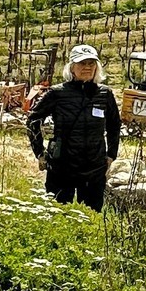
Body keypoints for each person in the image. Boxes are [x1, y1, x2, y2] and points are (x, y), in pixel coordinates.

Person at [27, 44, 120, 211]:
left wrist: (111, 155)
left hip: (94, 166)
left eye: (91, 63)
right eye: (82, 63)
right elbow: (33, 119)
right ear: (72, 67)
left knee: (92, 217)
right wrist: (39, 153)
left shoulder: (105, 94)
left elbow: (114, 124)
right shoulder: (57, 93)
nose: (87, 67)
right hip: (62, 165)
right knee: (57, 214)